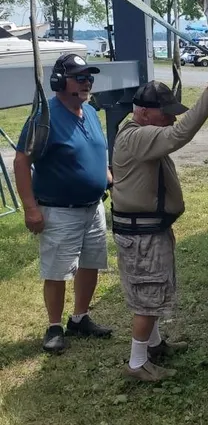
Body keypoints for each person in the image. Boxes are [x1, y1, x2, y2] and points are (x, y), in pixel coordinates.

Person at [110, 66, 208, 382]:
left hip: (149, 229)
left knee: (154, 287)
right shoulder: (136, 136)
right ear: (144, 113)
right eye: (165, 113)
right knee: (147, 294)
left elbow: (173, 132)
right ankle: (137, 364)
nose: (172, 118)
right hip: (141, 234)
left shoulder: (143, 134)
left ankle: (154, 345)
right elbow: (179, 135)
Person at [13, 53, 114, 353]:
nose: (87, 83)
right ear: (59, 81)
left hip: (93, 206)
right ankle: (54, 326)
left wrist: (105, 172)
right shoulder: (44, 117)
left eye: (89, 77)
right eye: (80, 77)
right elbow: (21, 160)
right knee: (57, 271)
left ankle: (80, 317)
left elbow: (98, 147)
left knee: (91, 263)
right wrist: (31, 208)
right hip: (59, 210)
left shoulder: (91, 111)